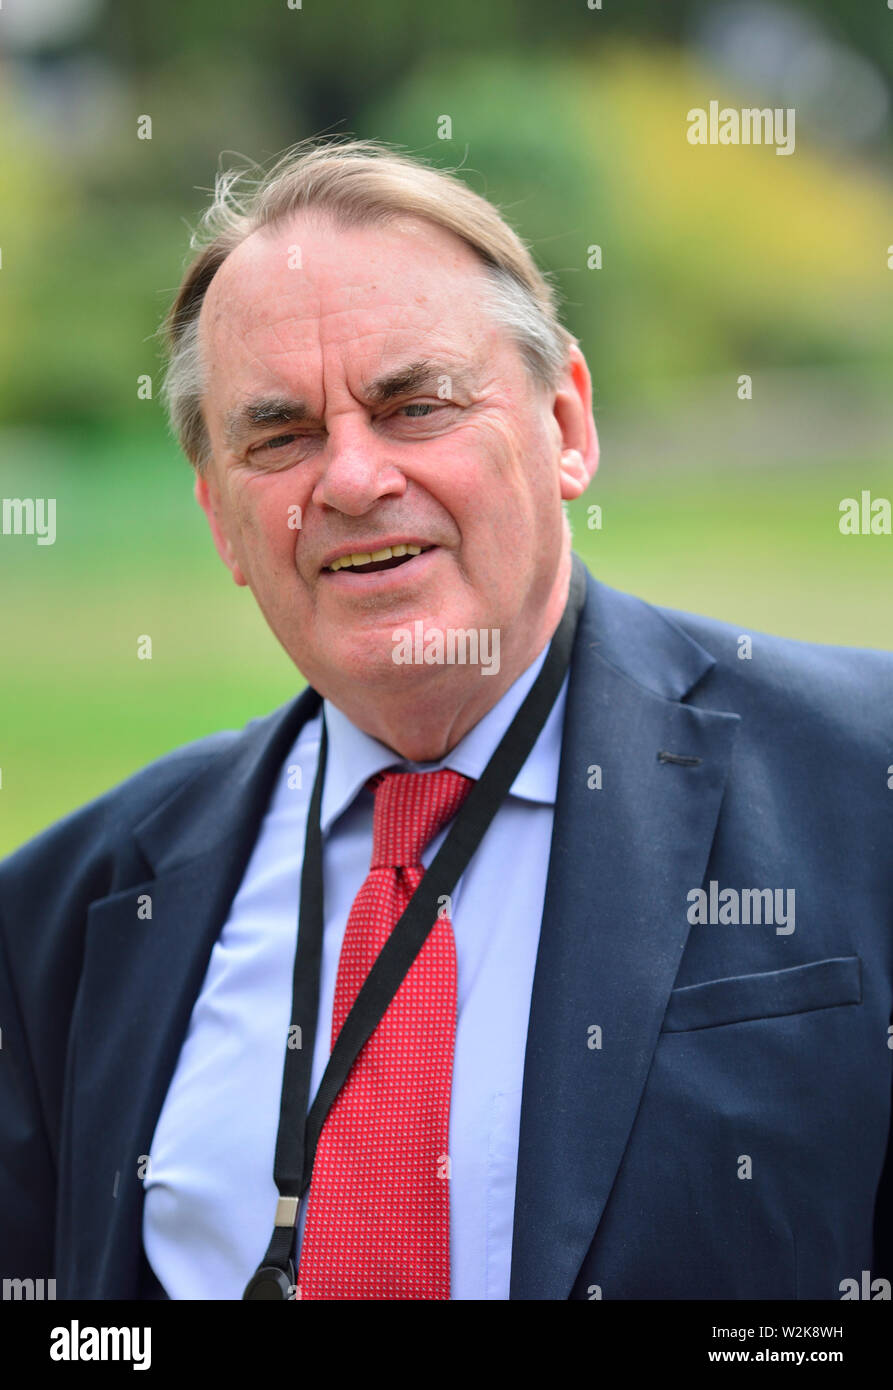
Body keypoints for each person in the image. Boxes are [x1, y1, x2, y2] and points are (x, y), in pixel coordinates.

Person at [1, 140, 890, 1302]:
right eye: (280, 437)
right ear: (220, 517)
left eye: (414, 406)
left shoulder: (861, 783)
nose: (350, 479)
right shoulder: (62, 914)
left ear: (565, 425)